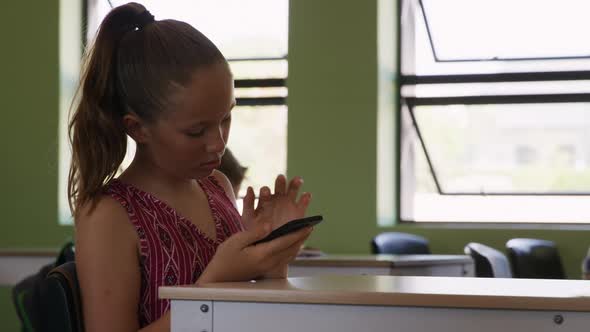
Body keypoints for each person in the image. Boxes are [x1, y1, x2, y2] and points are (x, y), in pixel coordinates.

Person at [68, 3, 313, 331]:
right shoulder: (108, 215)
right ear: (138, 128)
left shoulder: (219, 186)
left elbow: (251, 315)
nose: (218, 144)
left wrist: (271, 257)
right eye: (196, 131)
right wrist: (212, 286)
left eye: (226, 119)